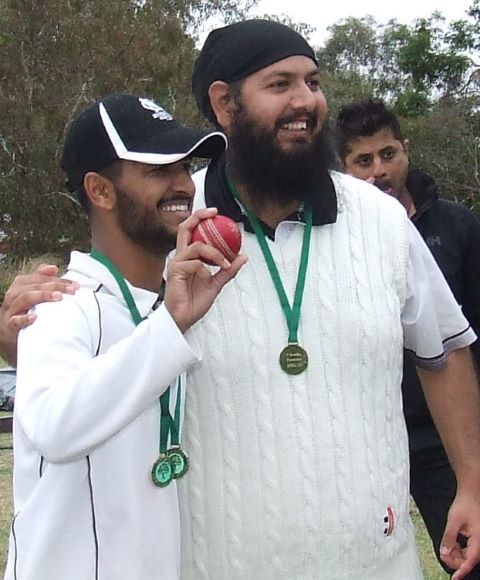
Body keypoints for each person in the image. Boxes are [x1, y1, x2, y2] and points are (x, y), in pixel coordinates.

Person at [2, 20, 480, 580]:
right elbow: (102, 330)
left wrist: (471, 481)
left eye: (314, 81)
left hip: (377, 559)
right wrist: (24, 336)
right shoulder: (173, 221)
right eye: (280, 84)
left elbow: (441, 352)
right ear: (224, 103)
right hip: (216, 563)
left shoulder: (382, 220)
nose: (307, 100)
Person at [4, 93, 245, 580]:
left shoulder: (166, 304)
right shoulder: (60, 306)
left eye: (184, 167)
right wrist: (169, 327)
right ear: (100, 190)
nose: (182, 185)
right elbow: (54, 427)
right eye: (157, 170)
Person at [335, 97, 480, 578]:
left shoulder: (457, 225)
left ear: (406, 150)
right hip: (373, 435)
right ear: (344, 166)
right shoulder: (337, 242)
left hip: (445, 438)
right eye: (363, 160)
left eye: (388, 154)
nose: (379, 170)